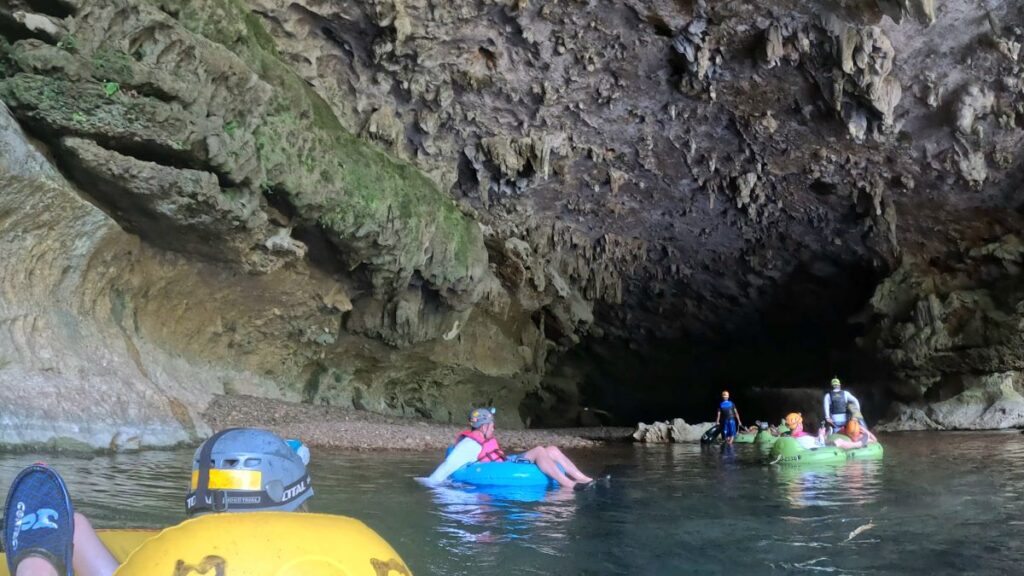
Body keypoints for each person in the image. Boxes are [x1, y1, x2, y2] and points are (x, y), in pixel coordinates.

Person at [3, 428, 312, 576]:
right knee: (75, 528)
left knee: (72, 529)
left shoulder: (175, 555)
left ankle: (36, 567)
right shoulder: (320, 556)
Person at [425, 407, 597, 490]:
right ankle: (568, 484)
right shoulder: (470, 444)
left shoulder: (483, 438)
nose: (494, 427)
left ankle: (584, 478)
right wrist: (429, 482)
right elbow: (448, 465)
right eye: (491, 424)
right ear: (484, 426)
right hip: (494, 468)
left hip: (504, 462)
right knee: (538, 450)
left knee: (551, 449)